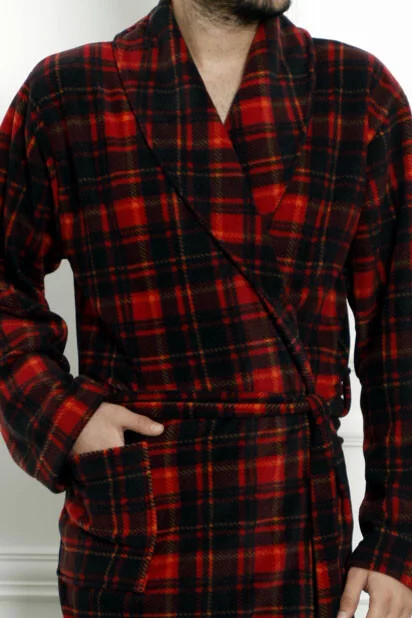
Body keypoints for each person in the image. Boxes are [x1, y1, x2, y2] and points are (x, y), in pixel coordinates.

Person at [0, 0, 411, 615]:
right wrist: (62, 417)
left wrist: (397, 537)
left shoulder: (359, 93)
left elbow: (400, 334)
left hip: (293, 529)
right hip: (138, 525)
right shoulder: (67, 92)